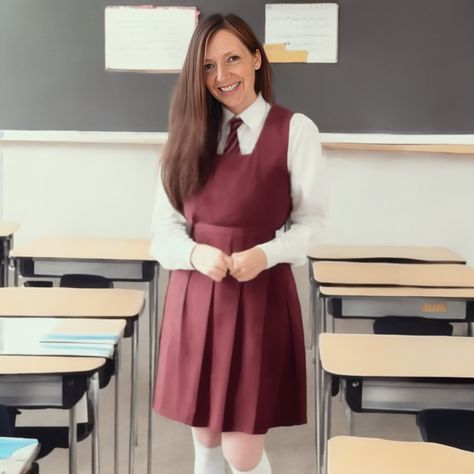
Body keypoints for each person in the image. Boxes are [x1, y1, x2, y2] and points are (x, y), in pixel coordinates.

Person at [150, 13, 327, 474]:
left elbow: (312, 226)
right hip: (196, 295)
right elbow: (163, 232)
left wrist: (266, 254)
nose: (222, 76)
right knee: (206, 439)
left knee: (241, 452)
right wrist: (194, 252)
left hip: (259, 299)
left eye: (232, 60)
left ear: (255, 59)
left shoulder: (295, 131)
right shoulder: (187, 134)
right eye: (208, 66)